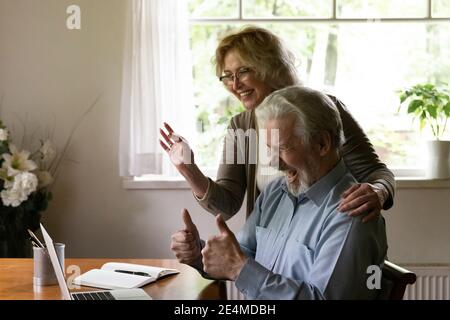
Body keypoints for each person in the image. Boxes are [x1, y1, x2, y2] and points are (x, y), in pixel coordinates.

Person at [170, 86, 388, 299]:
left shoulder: (352, 213)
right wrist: (199, 254)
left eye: (282, 149)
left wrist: (240, 269)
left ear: (322, 143)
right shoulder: (275, 192)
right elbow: (242, 253)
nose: (273, 162)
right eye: (269, 149)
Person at [160, 26, 395, 222]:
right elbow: (226, 205)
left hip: (328, 240)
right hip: (271, 249)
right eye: (227, 76)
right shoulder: (241, 127)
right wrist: (188, 169)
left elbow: (378, 174)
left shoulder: (324, 109)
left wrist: (377, 191)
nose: (235, 84)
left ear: (270, 68)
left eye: (243, 72)